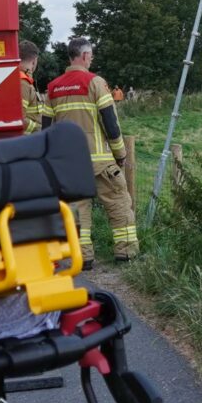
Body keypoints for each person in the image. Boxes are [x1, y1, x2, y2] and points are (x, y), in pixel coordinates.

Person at [46, 39, 136, 264]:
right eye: (92, 56)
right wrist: (120, 154)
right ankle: (125, 253)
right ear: (85, 56)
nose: (92, 60)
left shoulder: (53, 88)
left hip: (69, 165)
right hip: (100, 162)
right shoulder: (95, 82)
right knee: (118, 203)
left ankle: (82, 257)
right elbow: (110, 123)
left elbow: (45, 130)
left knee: (77, 211)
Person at [18, 36, 50, 134]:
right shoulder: (23, 83)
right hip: (27, 140)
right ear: (35, 60)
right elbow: (19, 119)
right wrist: (39, 129)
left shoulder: (24, 81)